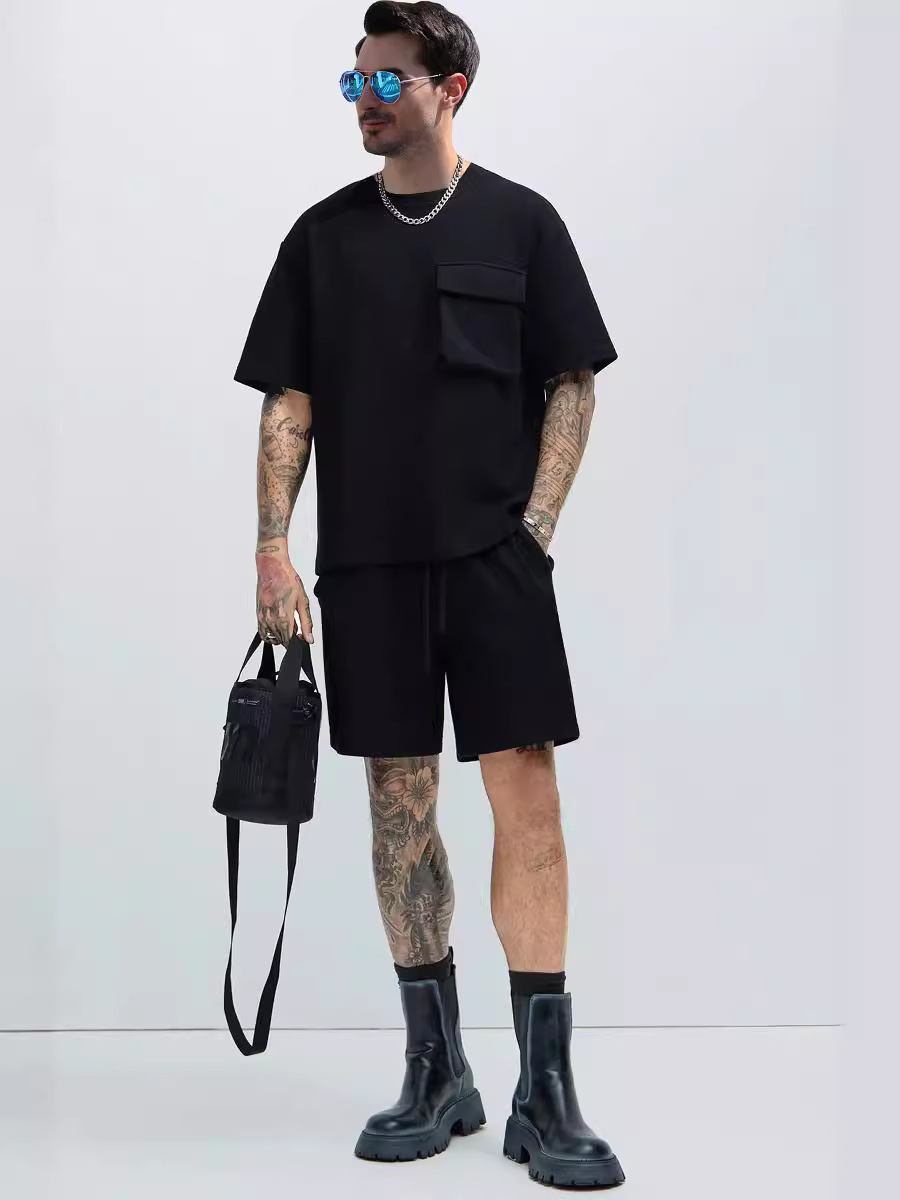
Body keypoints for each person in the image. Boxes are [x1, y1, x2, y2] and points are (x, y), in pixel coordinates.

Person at [234, 1, 624, 1189]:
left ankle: (545, 1093)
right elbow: (290, 403)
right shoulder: (322, 240)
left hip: (497, 565)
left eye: (386, 80)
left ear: (450, 89)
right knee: (398, 810)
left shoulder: (522, 222)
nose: (365, 99)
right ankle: (436, 1068)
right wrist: (271, 549)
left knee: (527, 802)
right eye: (353, 81)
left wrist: (535, 530)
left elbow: (572, 383)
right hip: (368, 567)